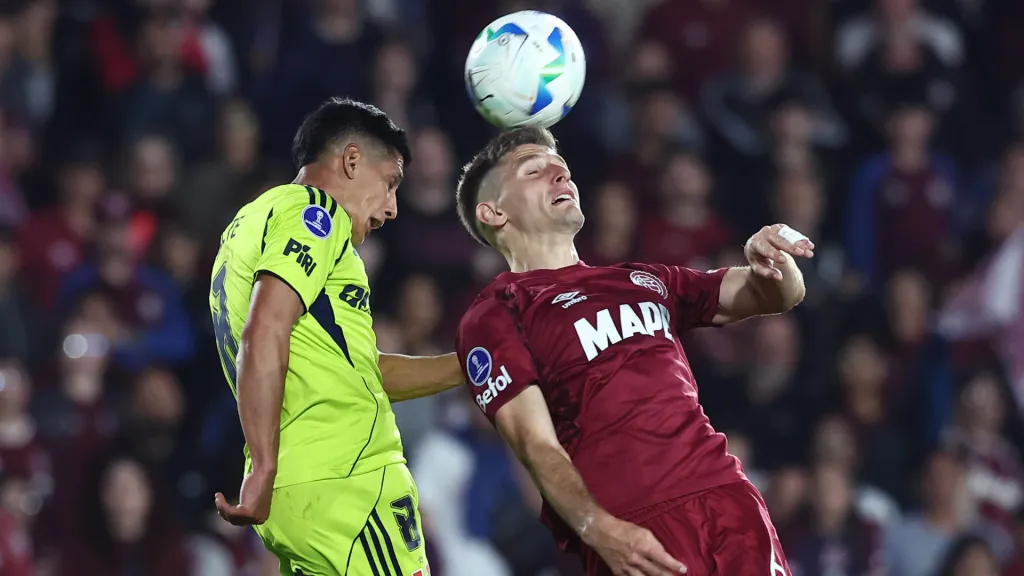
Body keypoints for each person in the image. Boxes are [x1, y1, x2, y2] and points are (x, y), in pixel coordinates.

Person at [453, 126, 813, 576]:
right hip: (636, 529)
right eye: (534, 171)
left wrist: (773, 261)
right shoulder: (497, 313)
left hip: (729, 500)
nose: (560, 176)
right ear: (493, 212)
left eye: (562, 170)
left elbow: (778, 296)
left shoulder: (639, 278)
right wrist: (599, 529)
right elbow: (534, 444)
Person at [209, 98, 461, 576]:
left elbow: (363, 371)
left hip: (303, 491)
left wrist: (469, 363)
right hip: (348, 482)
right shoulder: (315, 217)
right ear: (351, 160)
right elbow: (263, 332)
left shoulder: (249, 223)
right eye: (390, 184)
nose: (391, 209)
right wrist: (263, 465)